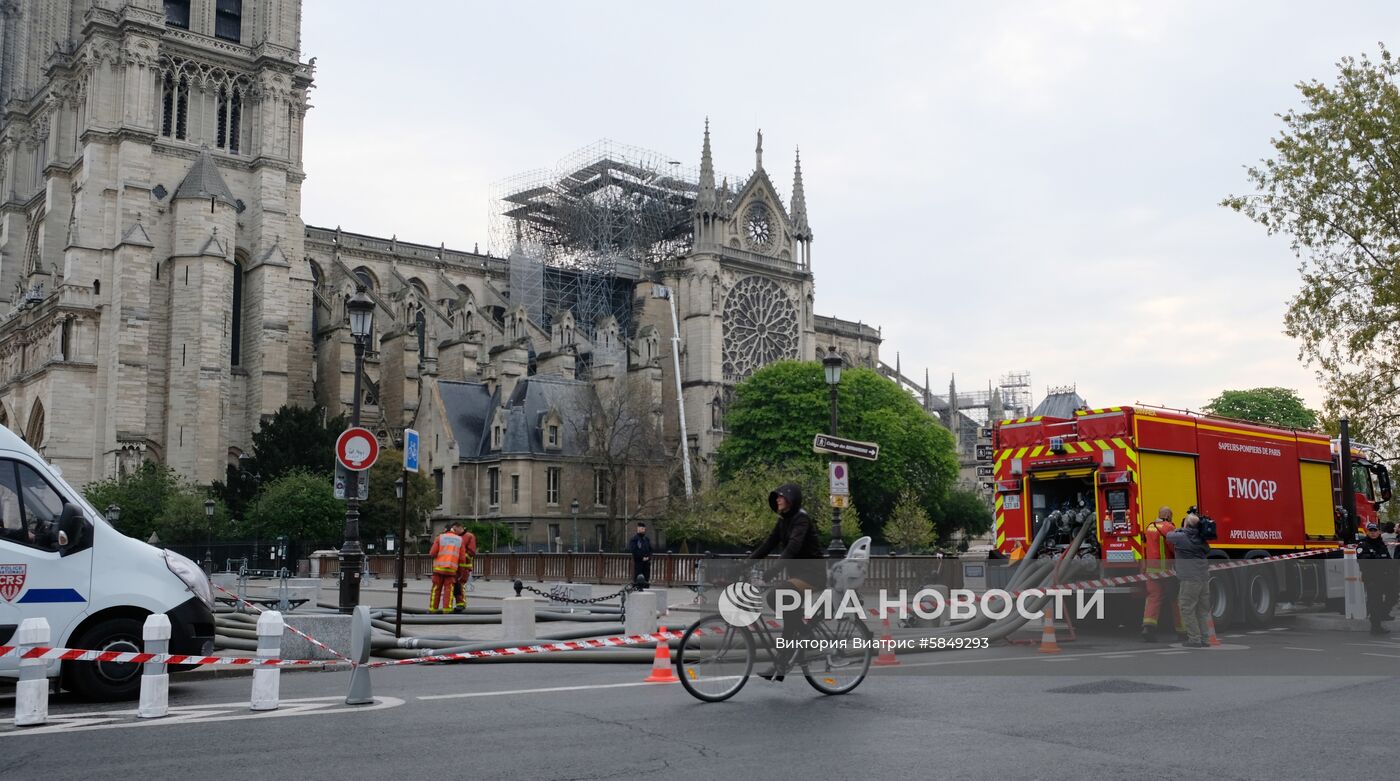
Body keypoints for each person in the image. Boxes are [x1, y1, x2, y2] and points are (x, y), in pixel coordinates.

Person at [748, 483, 826, 680]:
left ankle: (808, 635)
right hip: (796, 577)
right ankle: (781, 666)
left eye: (781, 496)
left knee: (776, 595)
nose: (777, 499)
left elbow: (792, 548)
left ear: (791, 499)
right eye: (777, 497)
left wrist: (771, 572)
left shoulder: (802, 519)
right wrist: (741, 566)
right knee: (790, 622)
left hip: (812, 576)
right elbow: (767, 545)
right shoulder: (783, 521)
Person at [1167, 513, 1212, 647]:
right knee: (1202, 610)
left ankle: (1194, 639)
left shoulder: (1181, 537)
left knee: (1187, 608)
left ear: (1186, 525)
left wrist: (1182, 528)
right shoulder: (1201, 539)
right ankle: (1205, 639)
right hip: (1203, 578)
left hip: (1189, 579)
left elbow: (1169, 536)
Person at [1141, 507, 1184, 642]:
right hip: (1166, 571)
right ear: (1168, 516)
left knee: (1153, 597)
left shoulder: (1150, 527)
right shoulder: (1169, 527)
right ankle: (1182, 631)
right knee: (1175, 599)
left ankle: (1148, 628)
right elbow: (1173, 547)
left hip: (1150, 570)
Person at [1356, 522, 1397, 635]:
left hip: (1385, 577)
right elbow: (1363, 562)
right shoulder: (1363, 545)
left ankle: (1383, 613)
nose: (1373, 533)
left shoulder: (1381, 544)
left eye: (1375, 530)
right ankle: (1375, 627)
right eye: (1371, 531)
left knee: (1393, 596)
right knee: (1375, 602)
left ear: (1379, 532)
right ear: (1367, 532)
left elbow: (1388, 560)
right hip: (1372, 579)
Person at [427, 522, 464, 614]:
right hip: (451, 570)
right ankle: (447, 610)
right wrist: (460, 572)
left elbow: (432, 553)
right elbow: (462, 559)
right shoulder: (459, 539)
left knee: (436, 589)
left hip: (438, 569)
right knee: (449, 590)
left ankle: (433, 609)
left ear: (445, 530)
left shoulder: (440, 537)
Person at [451, 525, 478, 613]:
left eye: (455, 529)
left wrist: (460, 556)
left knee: (460, 584)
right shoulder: (456, 537)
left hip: (465, 566)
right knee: (455, 585)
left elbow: (471, 552)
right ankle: (458, 604)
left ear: (460, 527)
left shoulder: (469, 536)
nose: (454, 531)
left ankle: (461, 604)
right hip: (455, 565)